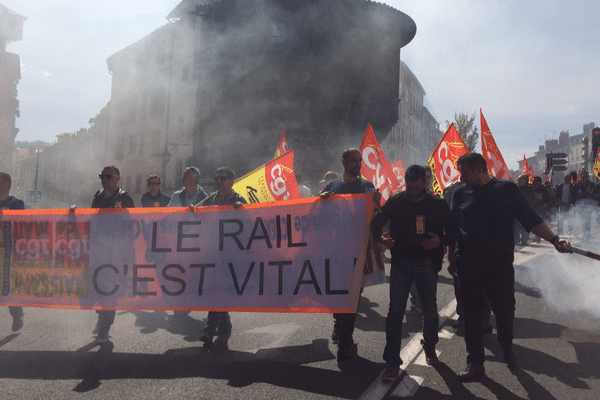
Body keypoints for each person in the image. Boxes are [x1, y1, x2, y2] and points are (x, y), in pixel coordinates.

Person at [448, 153, 571, 382]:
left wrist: (555, 240)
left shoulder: (507, 190)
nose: (461, 177)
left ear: (479, 170)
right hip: (468, 264)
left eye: (464, 172)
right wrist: (450, 258)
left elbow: (531, 219)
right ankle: (475, 364)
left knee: (505, 312)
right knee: (471, 316)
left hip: (499, 265)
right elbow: (453, 227)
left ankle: (507, 347)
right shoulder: (459, 193)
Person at [371, 165, 458, 383]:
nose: (413, 191)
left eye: (417, 187)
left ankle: (429, 347)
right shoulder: (397, 201)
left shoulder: (437, 204)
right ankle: (392, 363)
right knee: (394, 313)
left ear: (426, 183)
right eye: (409, 187)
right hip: (401, 264)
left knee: (429, 311)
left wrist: (441, 241)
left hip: (427, 265)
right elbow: (375, 224)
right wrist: (382, 239)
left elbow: (455, 230)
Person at [319, 148, 381, 362]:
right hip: (335, 253)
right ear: (343, 162)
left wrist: (376, 205)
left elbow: (376, 217)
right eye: (353, 160)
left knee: (352, 299)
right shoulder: (332, 186)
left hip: (359, 253)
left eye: (360, 160)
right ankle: (339, 325)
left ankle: (345, 343)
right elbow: (318, 217)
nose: (358, 164)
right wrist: (322, 201)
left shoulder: (367, 187)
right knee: (336, 296)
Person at [195, 166, 247, 346]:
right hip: (213, 253)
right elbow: (196, 211)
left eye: (222, 178)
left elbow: (249, 222)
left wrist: (242, 211)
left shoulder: (239, 200)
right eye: (216, 178)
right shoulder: (212, 199)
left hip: (230, 254)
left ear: (231, 181)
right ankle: (223, 323)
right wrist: (190, 208)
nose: (218, 181)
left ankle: (209, 330)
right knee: (217, 289)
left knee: (217, 289)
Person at [91, 165, 135, 343]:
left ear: (117, 178)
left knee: (110, 291)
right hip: (98, 251)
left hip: (116, 252)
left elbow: (133, 224)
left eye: (108, 176)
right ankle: (101, 317)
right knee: (98, 289)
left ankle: (104, 328)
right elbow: (90, 218)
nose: (104, 179)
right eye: (102, 176)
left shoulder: (124, 198)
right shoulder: (97, 196)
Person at [168, 166, 208, 318]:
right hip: (178, 241)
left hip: (197, 242)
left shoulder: (205, 197)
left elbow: (208, 220)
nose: (181, 179)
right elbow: (168, 215)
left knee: (193, 273)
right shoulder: (177, 195)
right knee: (179, 271)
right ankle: (180, 302)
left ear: (194, 179)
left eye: (184, 176)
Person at [0, 173, 25, 332]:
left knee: (8, 286)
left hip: (8, 251)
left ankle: (16, 313)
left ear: (7, 183)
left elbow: (22, 226)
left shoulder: (16, 203)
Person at [515, 174, 536, 245]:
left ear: (525, 181)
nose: (518, 181)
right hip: (517, 211)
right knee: (516, 226)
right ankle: (516, 239)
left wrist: (529, 205)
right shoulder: (515, 188)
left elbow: (534, 199)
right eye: (518, 180)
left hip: (526, 210)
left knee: (525, 226)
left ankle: (524, 240)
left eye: (520, 180)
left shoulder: (530, 189)